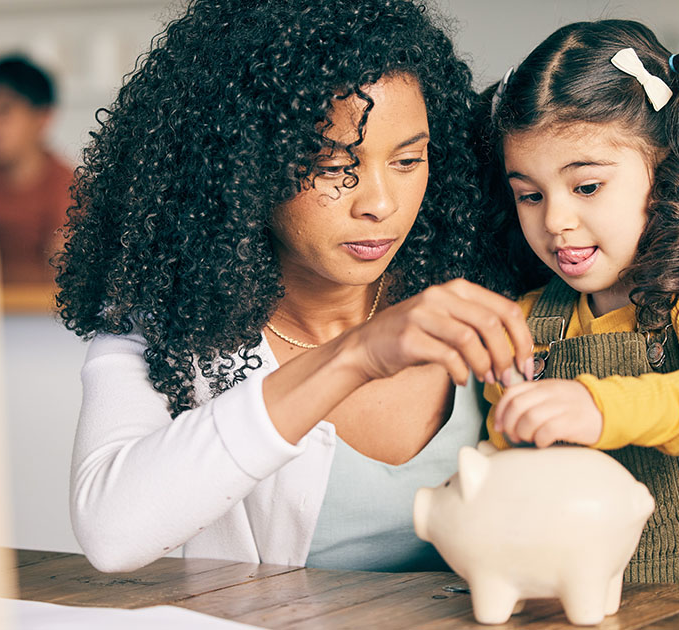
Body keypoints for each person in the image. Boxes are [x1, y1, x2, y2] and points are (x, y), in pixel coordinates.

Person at [58, 0, 534, 573]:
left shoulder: (491, 283)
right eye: (335, 167)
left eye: (408, 160)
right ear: (241, 165)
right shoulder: (173, 323)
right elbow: (111, 532)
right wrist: (356, 354)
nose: (380, 203)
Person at [480, 20, 679, 588]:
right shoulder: (527, 319)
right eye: (529, 194)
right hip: (574, 594)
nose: (554, 221)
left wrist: (597, 407)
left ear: (665, 173)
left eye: (587, 187)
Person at [0, 55, 72, 286]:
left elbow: (60, 273)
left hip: (43, 315)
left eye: (4, 112)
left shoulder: (65, 183)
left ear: (43, 118)